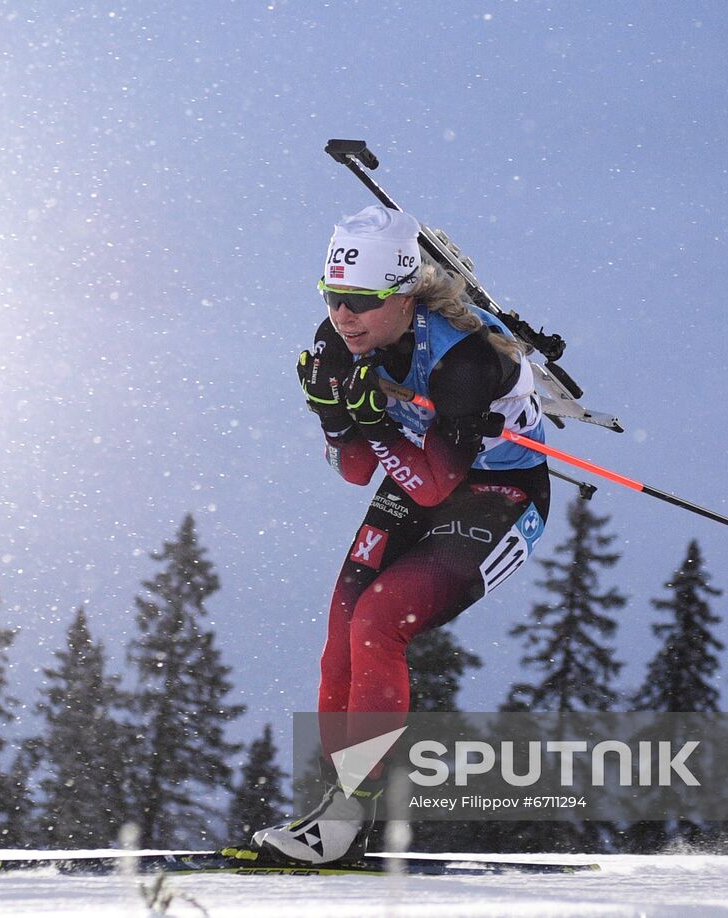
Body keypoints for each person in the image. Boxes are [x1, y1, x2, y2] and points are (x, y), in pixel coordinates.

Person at [249, 205, 551, 865]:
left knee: (380, 620)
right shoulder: (339, 342)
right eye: (332, 297)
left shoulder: (466, 360)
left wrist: (377, 424)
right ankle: (334, 812)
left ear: (406, 295)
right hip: (411, 473)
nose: (343, 316)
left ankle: (348, 817)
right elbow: (358, 472)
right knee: (343, 628)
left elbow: (438, 486)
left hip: (498, 492)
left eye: (361, 300)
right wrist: (335, 420)